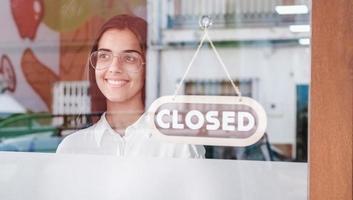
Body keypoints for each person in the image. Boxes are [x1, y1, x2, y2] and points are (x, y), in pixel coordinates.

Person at [56, 14, 205, 158]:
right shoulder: (72, 148)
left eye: (129, 58)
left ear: (149, 67)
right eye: (104, 56)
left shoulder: (179, 145)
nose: (114, 68)